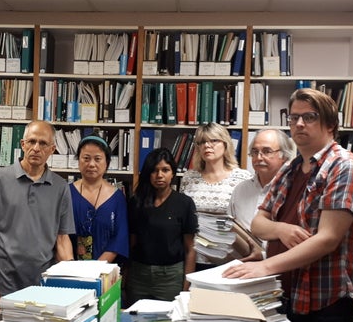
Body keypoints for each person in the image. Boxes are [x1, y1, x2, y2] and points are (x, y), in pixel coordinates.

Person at [222, 88, 353, 322]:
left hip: (324, 306)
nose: (299, 124)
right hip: (285, 299)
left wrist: (262, 266)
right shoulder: (291, 169)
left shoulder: (345, 166)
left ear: (330, 125)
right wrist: (282, 229)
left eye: (310, 117)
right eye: (295, 117)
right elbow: (258, 223)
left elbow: (327, 238)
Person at [0, 120, 75, 322]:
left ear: (53, 149)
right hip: (3, 293)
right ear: (22, 144)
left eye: (43, 143)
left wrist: (74, 289)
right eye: (31, 141)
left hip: (43, 295)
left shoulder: (61, 188)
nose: (36, 148)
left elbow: (62, 240)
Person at [125, 148, 198, 307]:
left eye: (165, 170)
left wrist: (187, 285)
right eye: (154, 170)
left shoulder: (184, 203)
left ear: (172, 173)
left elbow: (190, 248)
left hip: (170, 277)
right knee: (135, 321)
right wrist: (125, 275)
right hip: (139, 275)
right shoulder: (136, 202)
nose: (159, 175)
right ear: (148, 174)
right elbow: (131, 243)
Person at [179, 122, 251, 270]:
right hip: (195, 256)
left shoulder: (241, 177)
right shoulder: (189, 177)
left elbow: (246, 221)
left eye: (214, 140)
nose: (207, 145)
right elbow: (183, 218)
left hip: (229, 258)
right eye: (202, 142)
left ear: (226, 145)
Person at [229, 129, 295, 259]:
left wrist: (264, 256)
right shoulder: (241, 190)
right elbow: (231, 229)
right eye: (254, 152)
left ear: (284, 156)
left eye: (267, 151)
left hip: (281, 268)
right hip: (243, 265)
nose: (259, 158)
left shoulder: (293, 190)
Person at [70, 134, 129, 262]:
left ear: (107, 162)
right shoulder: (67, 193)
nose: (91, 164)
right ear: (78, 160)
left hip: (105, 271)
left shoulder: (117, 197)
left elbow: (119, 238)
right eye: (86, 158)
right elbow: (60, 236)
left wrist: (96, 269)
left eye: (97, 159)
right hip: (71, 270)